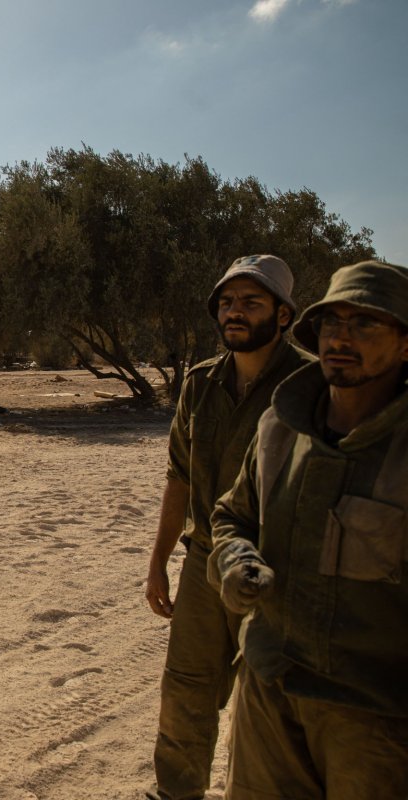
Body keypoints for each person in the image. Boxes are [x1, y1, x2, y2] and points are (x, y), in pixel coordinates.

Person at [209, 260, 408, 799]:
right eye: (331, 323)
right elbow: (232, 516)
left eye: (365, 323)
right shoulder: (279, 427)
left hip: (373, 718)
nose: (341, 337)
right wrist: (233, 559)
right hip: (269, 691)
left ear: (406, 345)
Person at [145, 255, 313, 800]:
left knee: (275, 698)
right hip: (204, 562)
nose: (234, 312)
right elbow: (179, 478)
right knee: (186, 688)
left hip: (283, 570)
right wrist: (158, 564)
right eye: (226, 302)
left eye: (251, 302)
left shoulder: (312, 384)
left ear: (284, 315)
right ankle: (177, 793)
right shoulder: (199, 385)